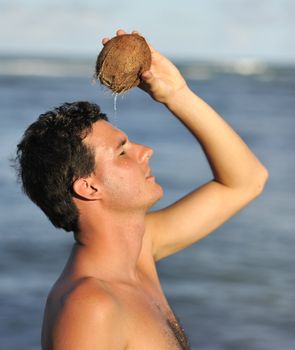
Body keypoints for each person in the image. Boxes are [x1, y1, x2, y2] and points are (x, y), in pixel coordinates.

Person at [16, 29, 268, 350]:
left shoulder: (139, 252)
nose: (146, 151)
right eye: (122, 152)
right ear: (89, 186)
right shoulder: (90, 305)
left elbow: (246, 181)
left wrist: (176, 94)